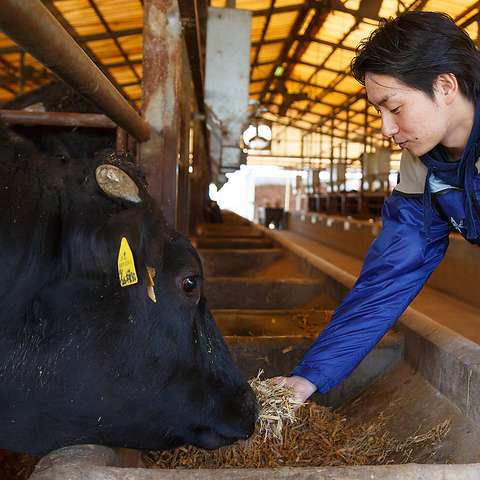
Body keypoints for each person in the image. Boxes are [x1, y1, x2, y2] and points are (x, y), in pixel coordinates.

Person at [274, 10, 480, 403]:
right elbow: (390, 275)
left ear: (445, 86)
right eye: (379, 112)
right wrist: (309, 377)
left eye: (395, 108)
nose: (386, 129)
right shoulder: (423, 164)